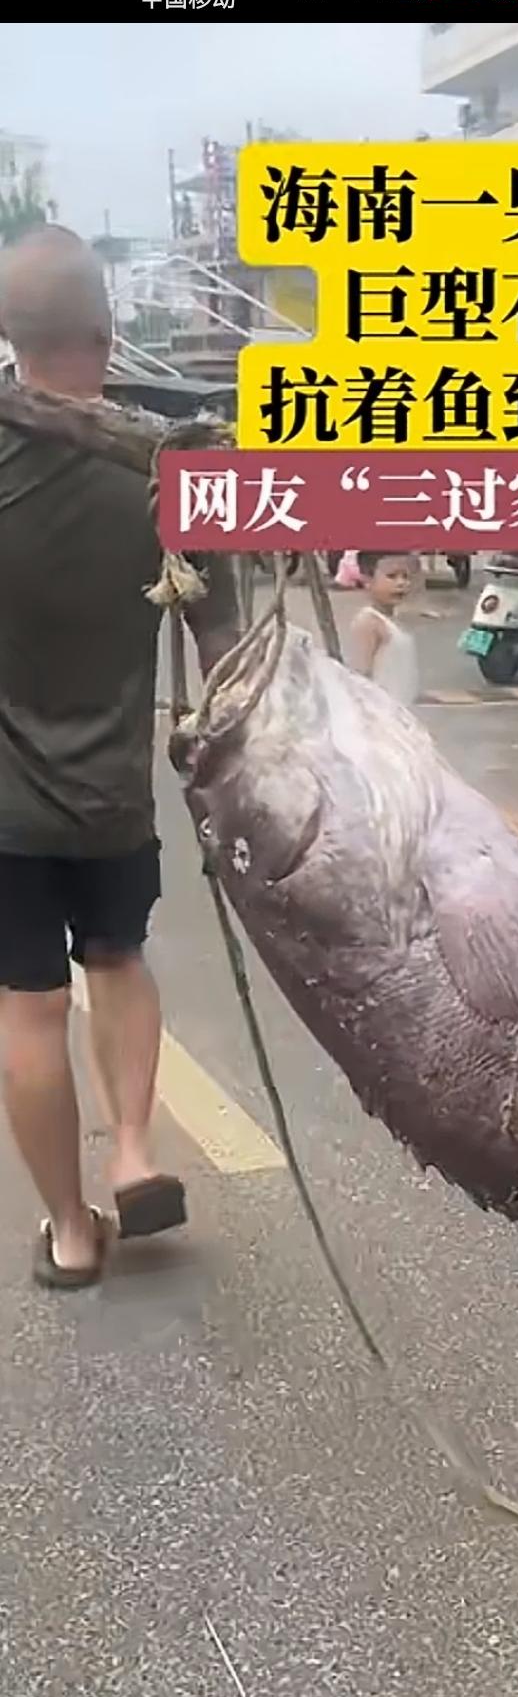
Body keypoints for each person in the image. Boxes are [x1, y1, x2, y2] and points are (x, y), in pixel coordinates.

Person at [0, 226, 239, 1287]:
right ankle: (135, 1150)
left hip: (4, 812)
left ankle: (69, 1230)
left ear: (10, 336)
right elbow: (220, 632)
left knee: (28, 1007)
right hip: (111, 798)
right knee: (117, 960)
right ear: (106, 333)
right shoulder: (160, 462)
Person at [344, 550, 420, 709]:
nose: (401, 583)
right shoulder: (368, 622)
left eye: (405, 576)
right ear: (367, 580)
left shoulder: (393, 620)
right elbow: (359, 676)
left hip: (400, 710)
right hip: (380, 712)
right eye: (392, 576)